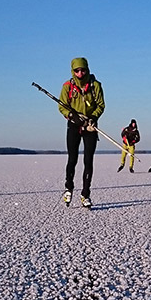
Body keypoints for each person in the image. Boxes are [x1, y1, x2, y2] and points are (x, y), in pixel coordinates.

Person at [58, 57, 105, 208]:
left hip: (90, 127)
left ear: (87, 69)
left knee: (88, 160)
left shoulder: (95, 85)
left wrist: (92, 117)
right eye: (77, 70)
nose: (80, 73)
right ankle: (68, 187)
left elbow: (101, 105)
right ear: (73, 71)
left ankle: (85, 194)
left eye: (83, 70)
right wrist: (72, 116)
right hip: (73, 126)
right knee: (72, 158)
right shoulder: (67, 86)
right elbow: (62, 106)